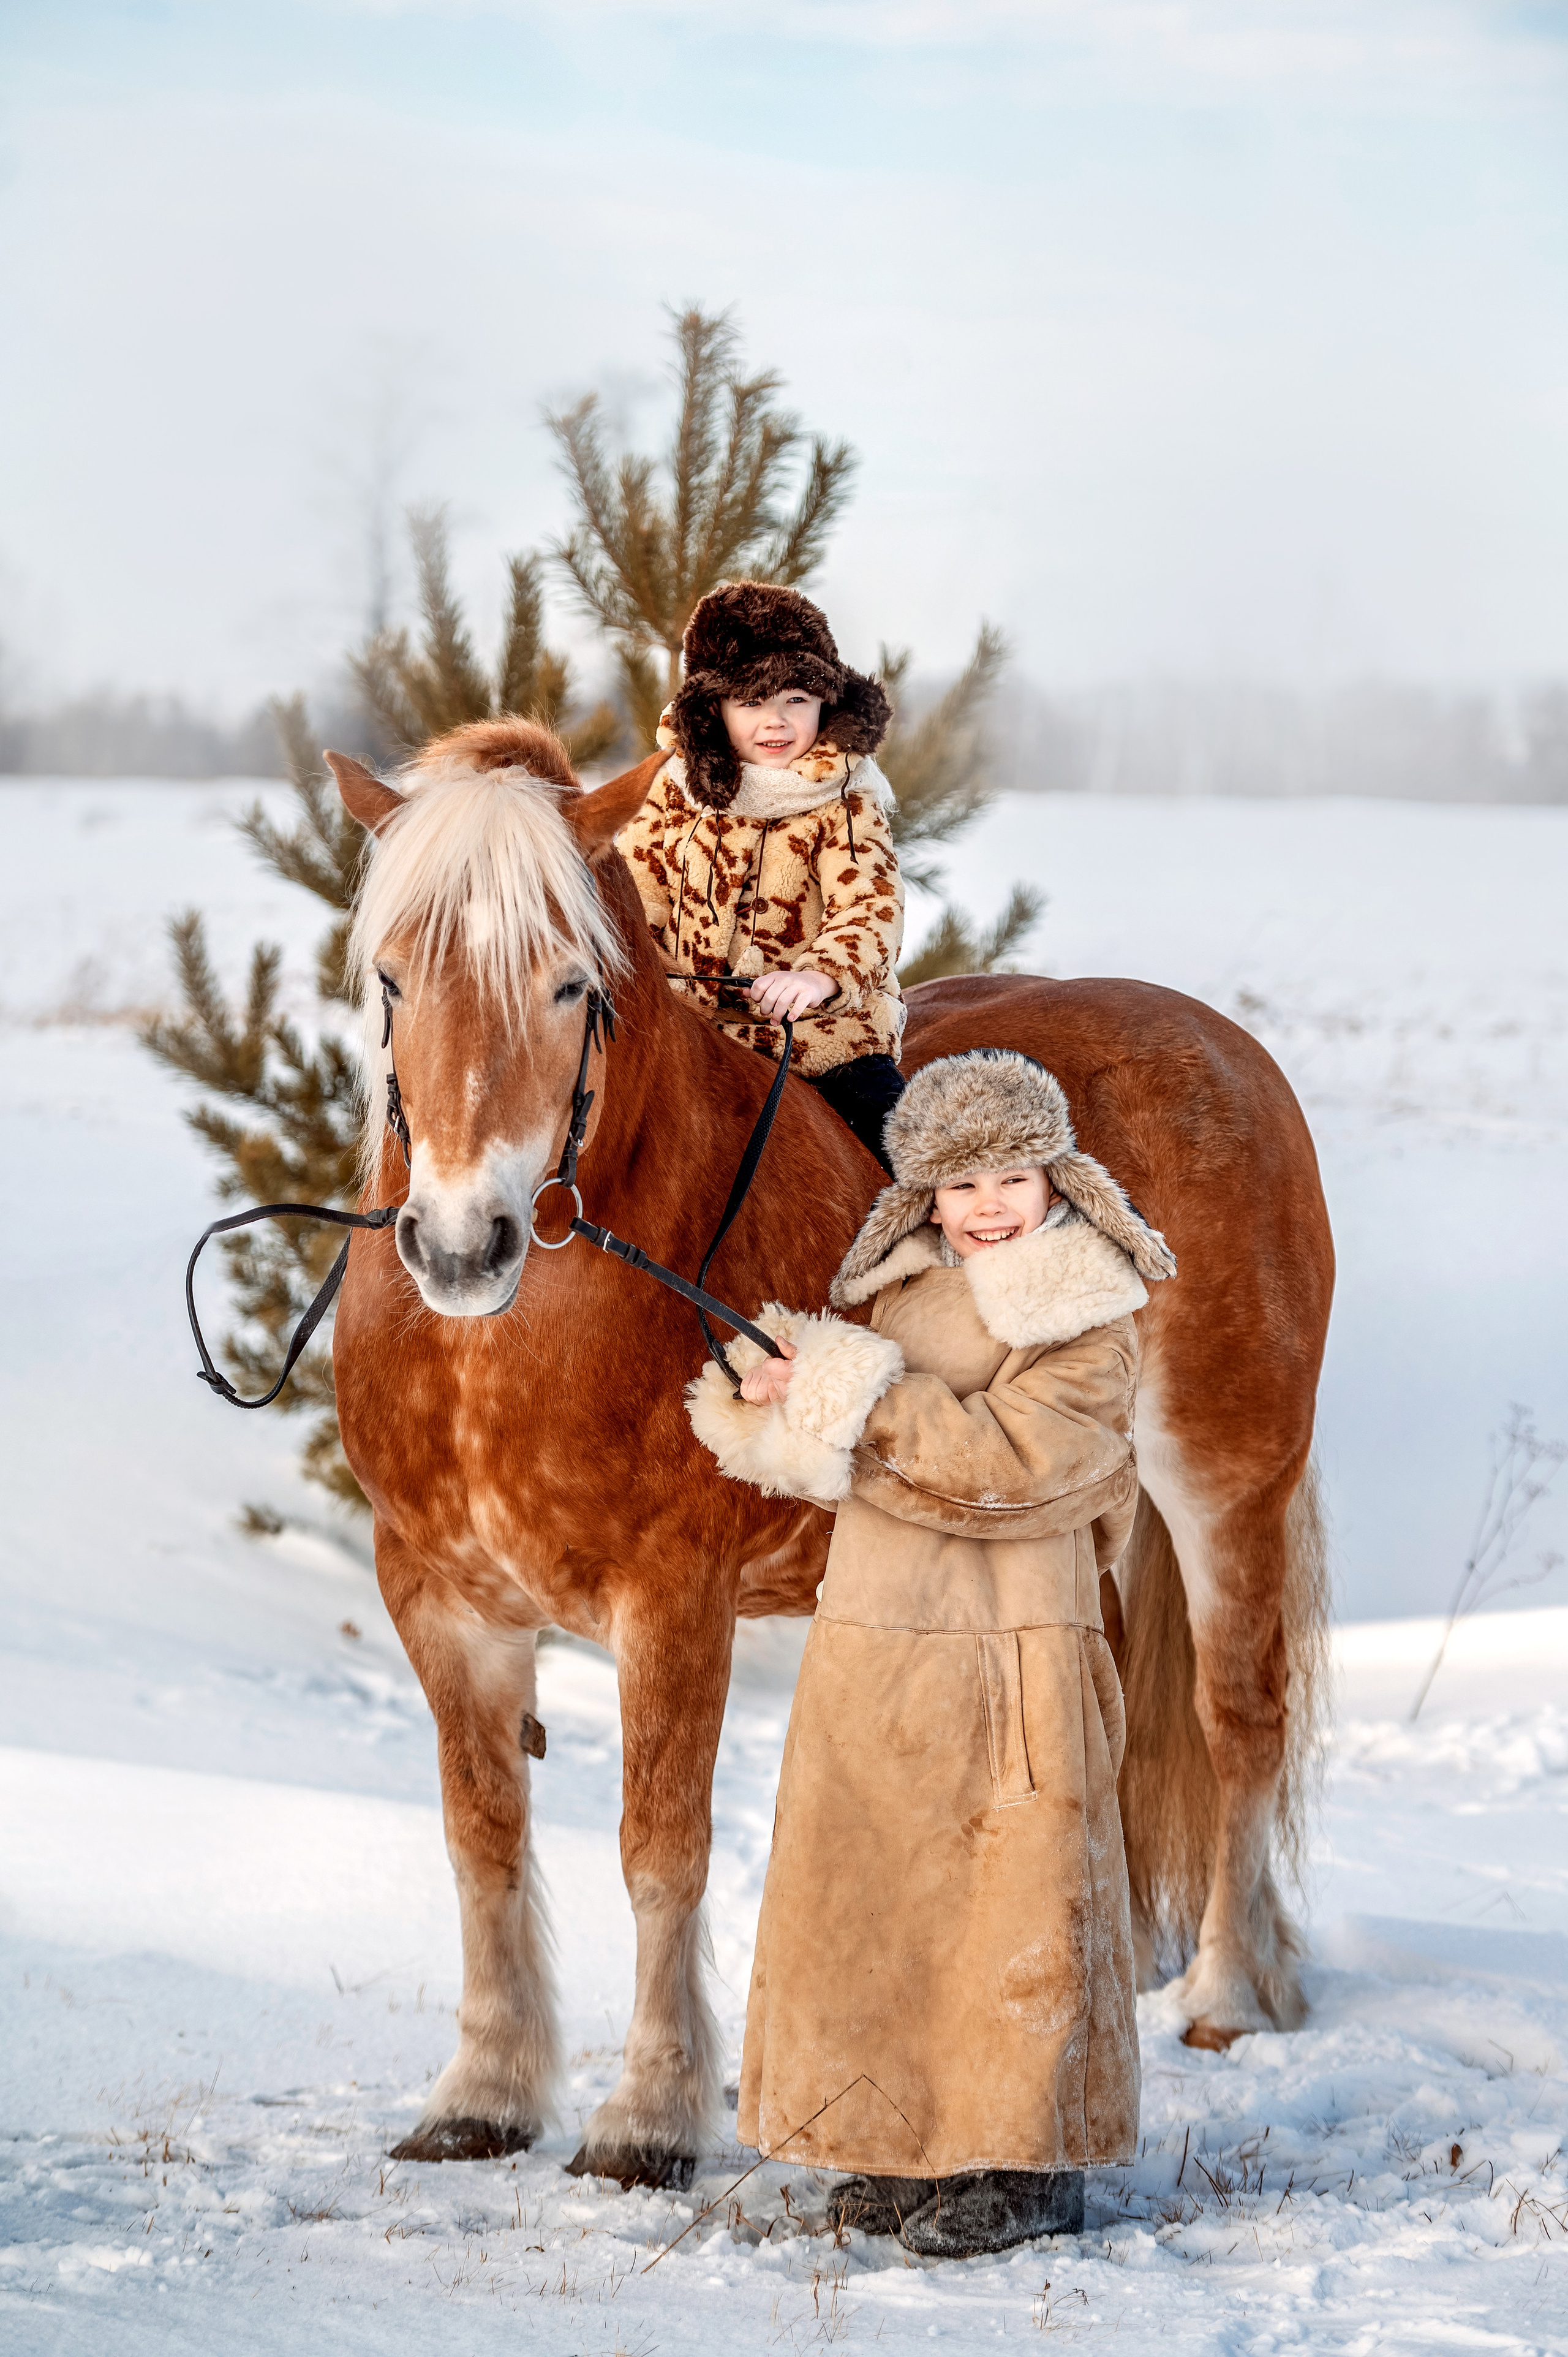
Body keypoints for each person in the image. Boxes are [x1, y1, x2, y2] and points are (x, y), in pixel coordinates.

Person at [685, 1049, 1177, 2258]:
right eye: (961, 1185)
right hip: (877, 1640)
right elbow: (869, 1472)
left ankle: (1024, 2160)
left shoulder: (1086, 1309)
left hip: (1012, 1650)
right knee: (881, 1889)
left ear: (1056, 1178)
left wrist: (851, 1393)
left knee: (1010, 1901)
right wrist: (781, 1402)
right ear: (925, 1196)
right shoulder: (902, 1296)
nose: (988, 1205)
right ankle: (896, 2136)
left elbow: (1017, 1465)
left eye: (1011, 1176)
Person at [617, 580, 906, 1167]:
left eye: (796, 698)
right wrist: (652, 986)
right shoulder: (672, 794)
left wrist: (820, 978)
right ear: (714, 709)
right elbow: (634, 898)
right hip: (688, 1031)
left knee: (901, 1147)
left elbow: (870, 905)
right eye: (750, 702)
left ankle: (933, 1219)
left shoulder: (844, 799)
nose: (776, 721)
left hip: (821, 1036)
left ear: (826, 701)